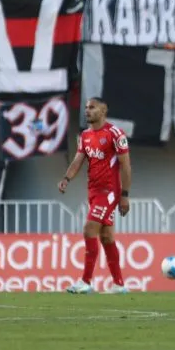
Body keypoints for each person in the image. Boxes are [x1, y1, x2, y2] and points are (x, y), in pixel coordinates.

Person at [58, 98, 132, 294]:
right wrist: (66, 178)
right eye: (86, 108)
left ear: (103, 110)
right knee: (106, 237)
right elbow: (78, 160)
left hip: (109, 191)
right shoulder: (85, 135)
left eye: (92, 107)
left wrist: (124, 195)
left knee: (89, 229)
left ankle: (86, 281)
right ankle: (119, 285)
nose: (87, 111)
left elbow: (125, 165)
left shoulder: (114, 133)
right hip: (93, 191)